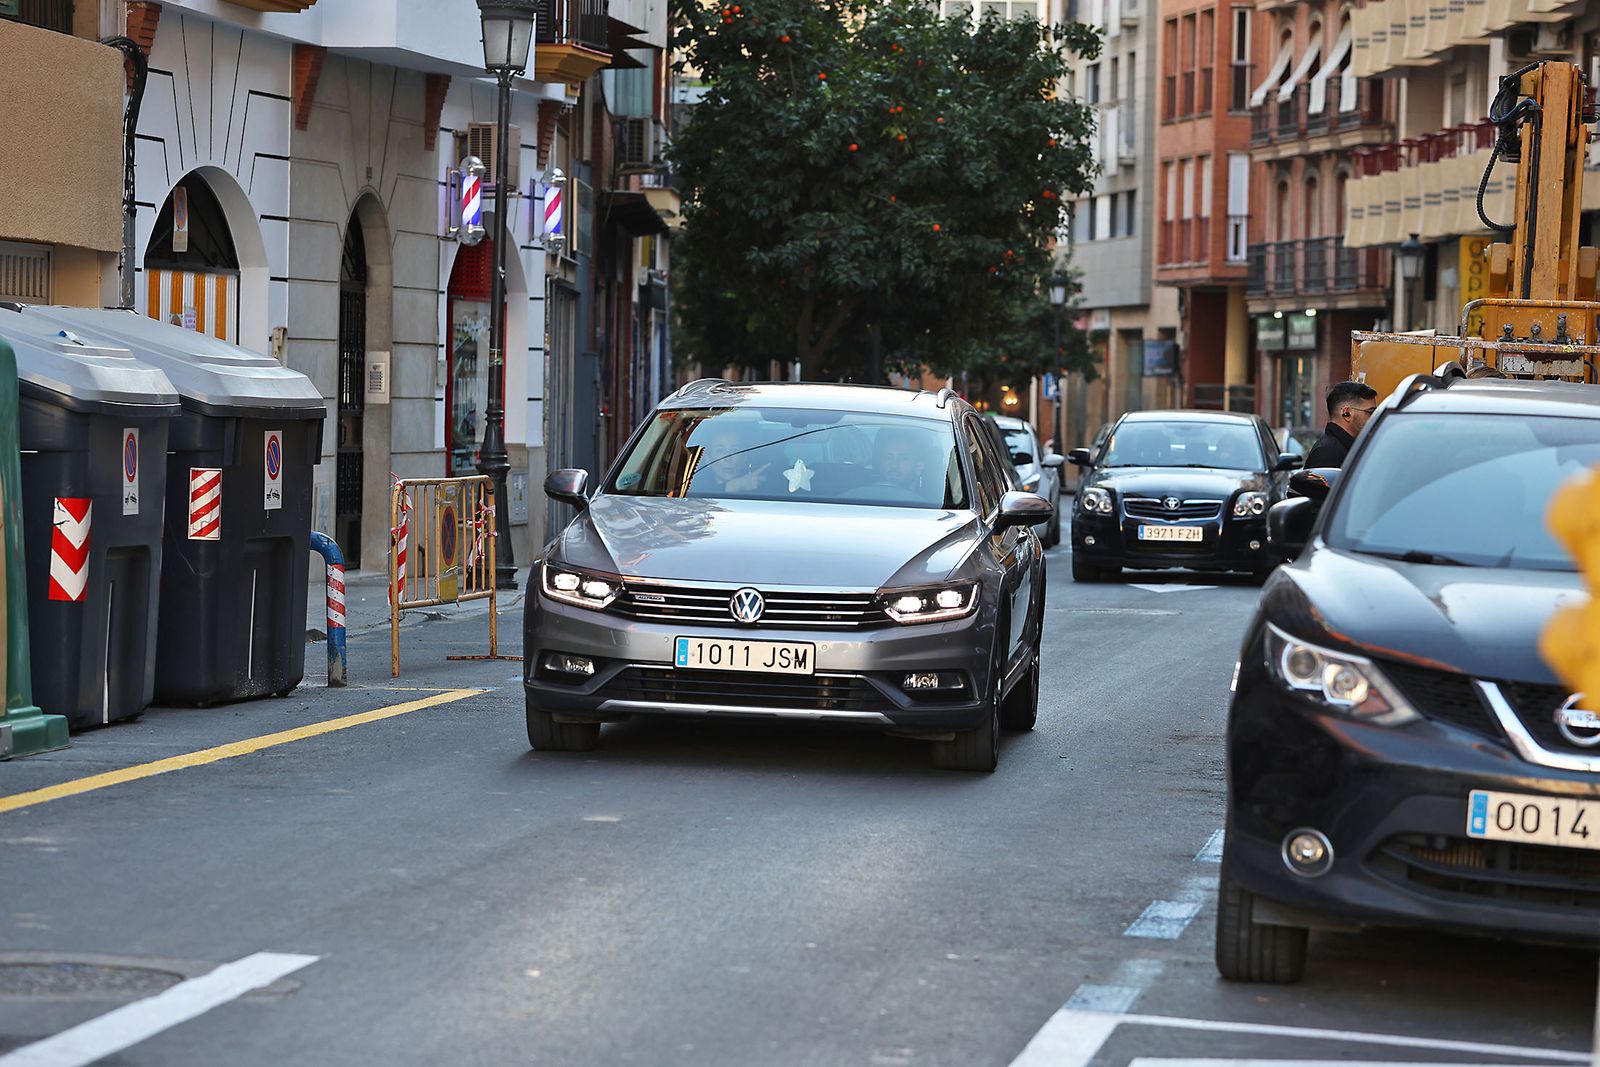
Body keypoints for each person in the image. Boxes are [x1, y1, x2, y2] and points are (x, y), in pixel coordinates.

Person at [1304, 380, 1378, 468]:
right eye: (1371, 412)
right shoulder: (1328, 453)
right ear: (1347, 413)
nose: (1375, 417)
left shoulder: (1342, 447)